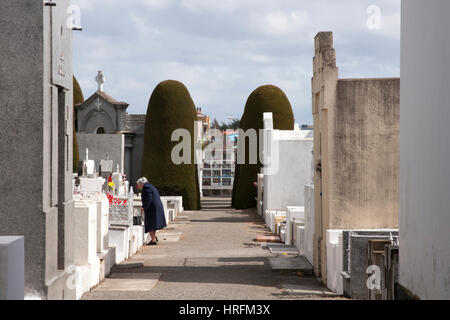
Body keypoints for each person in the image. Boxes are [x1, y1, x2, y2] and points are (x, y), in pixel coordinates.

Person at [136, 177, 167, 245]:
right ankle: (154, 237)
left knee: (150, 224)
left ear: (141, 184)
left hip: (152, 208)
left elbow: (148, 198)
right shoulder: (150, 186)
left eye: (138, 185)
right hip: (155, 207)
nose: (138, 187)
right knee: (153, 224)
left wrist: (144, 207)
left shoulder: (146, 188)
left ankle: (153, 240)